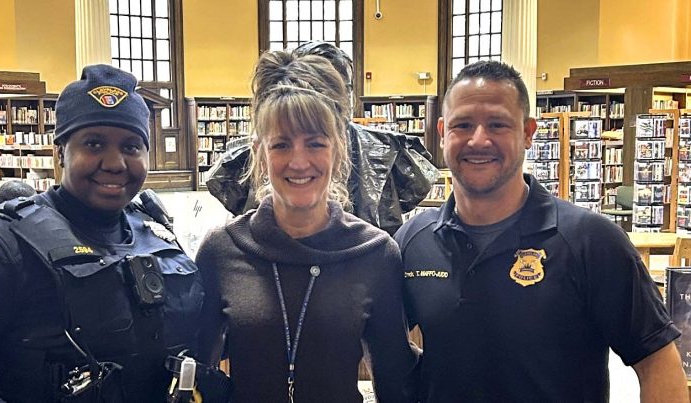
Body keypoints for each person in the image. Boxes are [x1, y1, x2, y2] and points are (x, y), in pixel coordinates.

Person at [394, 60, 688, 402]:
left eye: (497, 124)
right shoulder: (413, 241)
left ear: (528, 132)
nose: (478, 139)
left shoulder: (590, 241)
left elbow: (657, 361)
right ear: (442, 132)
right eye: (463, 125)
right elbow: (381, 344)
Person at [0, 64, 203, 402]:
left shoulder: (158, 236)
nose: (115, 162)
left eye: (131, 146)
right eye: (94, 144)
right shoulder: (0, 246)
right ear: (60, 152)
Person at [196, 50, 418, 402]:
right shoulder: (221, 250)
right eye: (281, 145)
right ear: (260, 152)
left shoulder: (376, 254)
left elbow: (395, 385)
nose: (299, 162)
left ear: (338, 149)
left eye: (315, 143)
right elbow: (196, 378)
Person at [205, 41, 438, 234]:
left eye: (340, 87)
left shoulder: (392, 149)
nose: (328, 101)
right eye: (318, 87)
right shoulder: (243, 162)